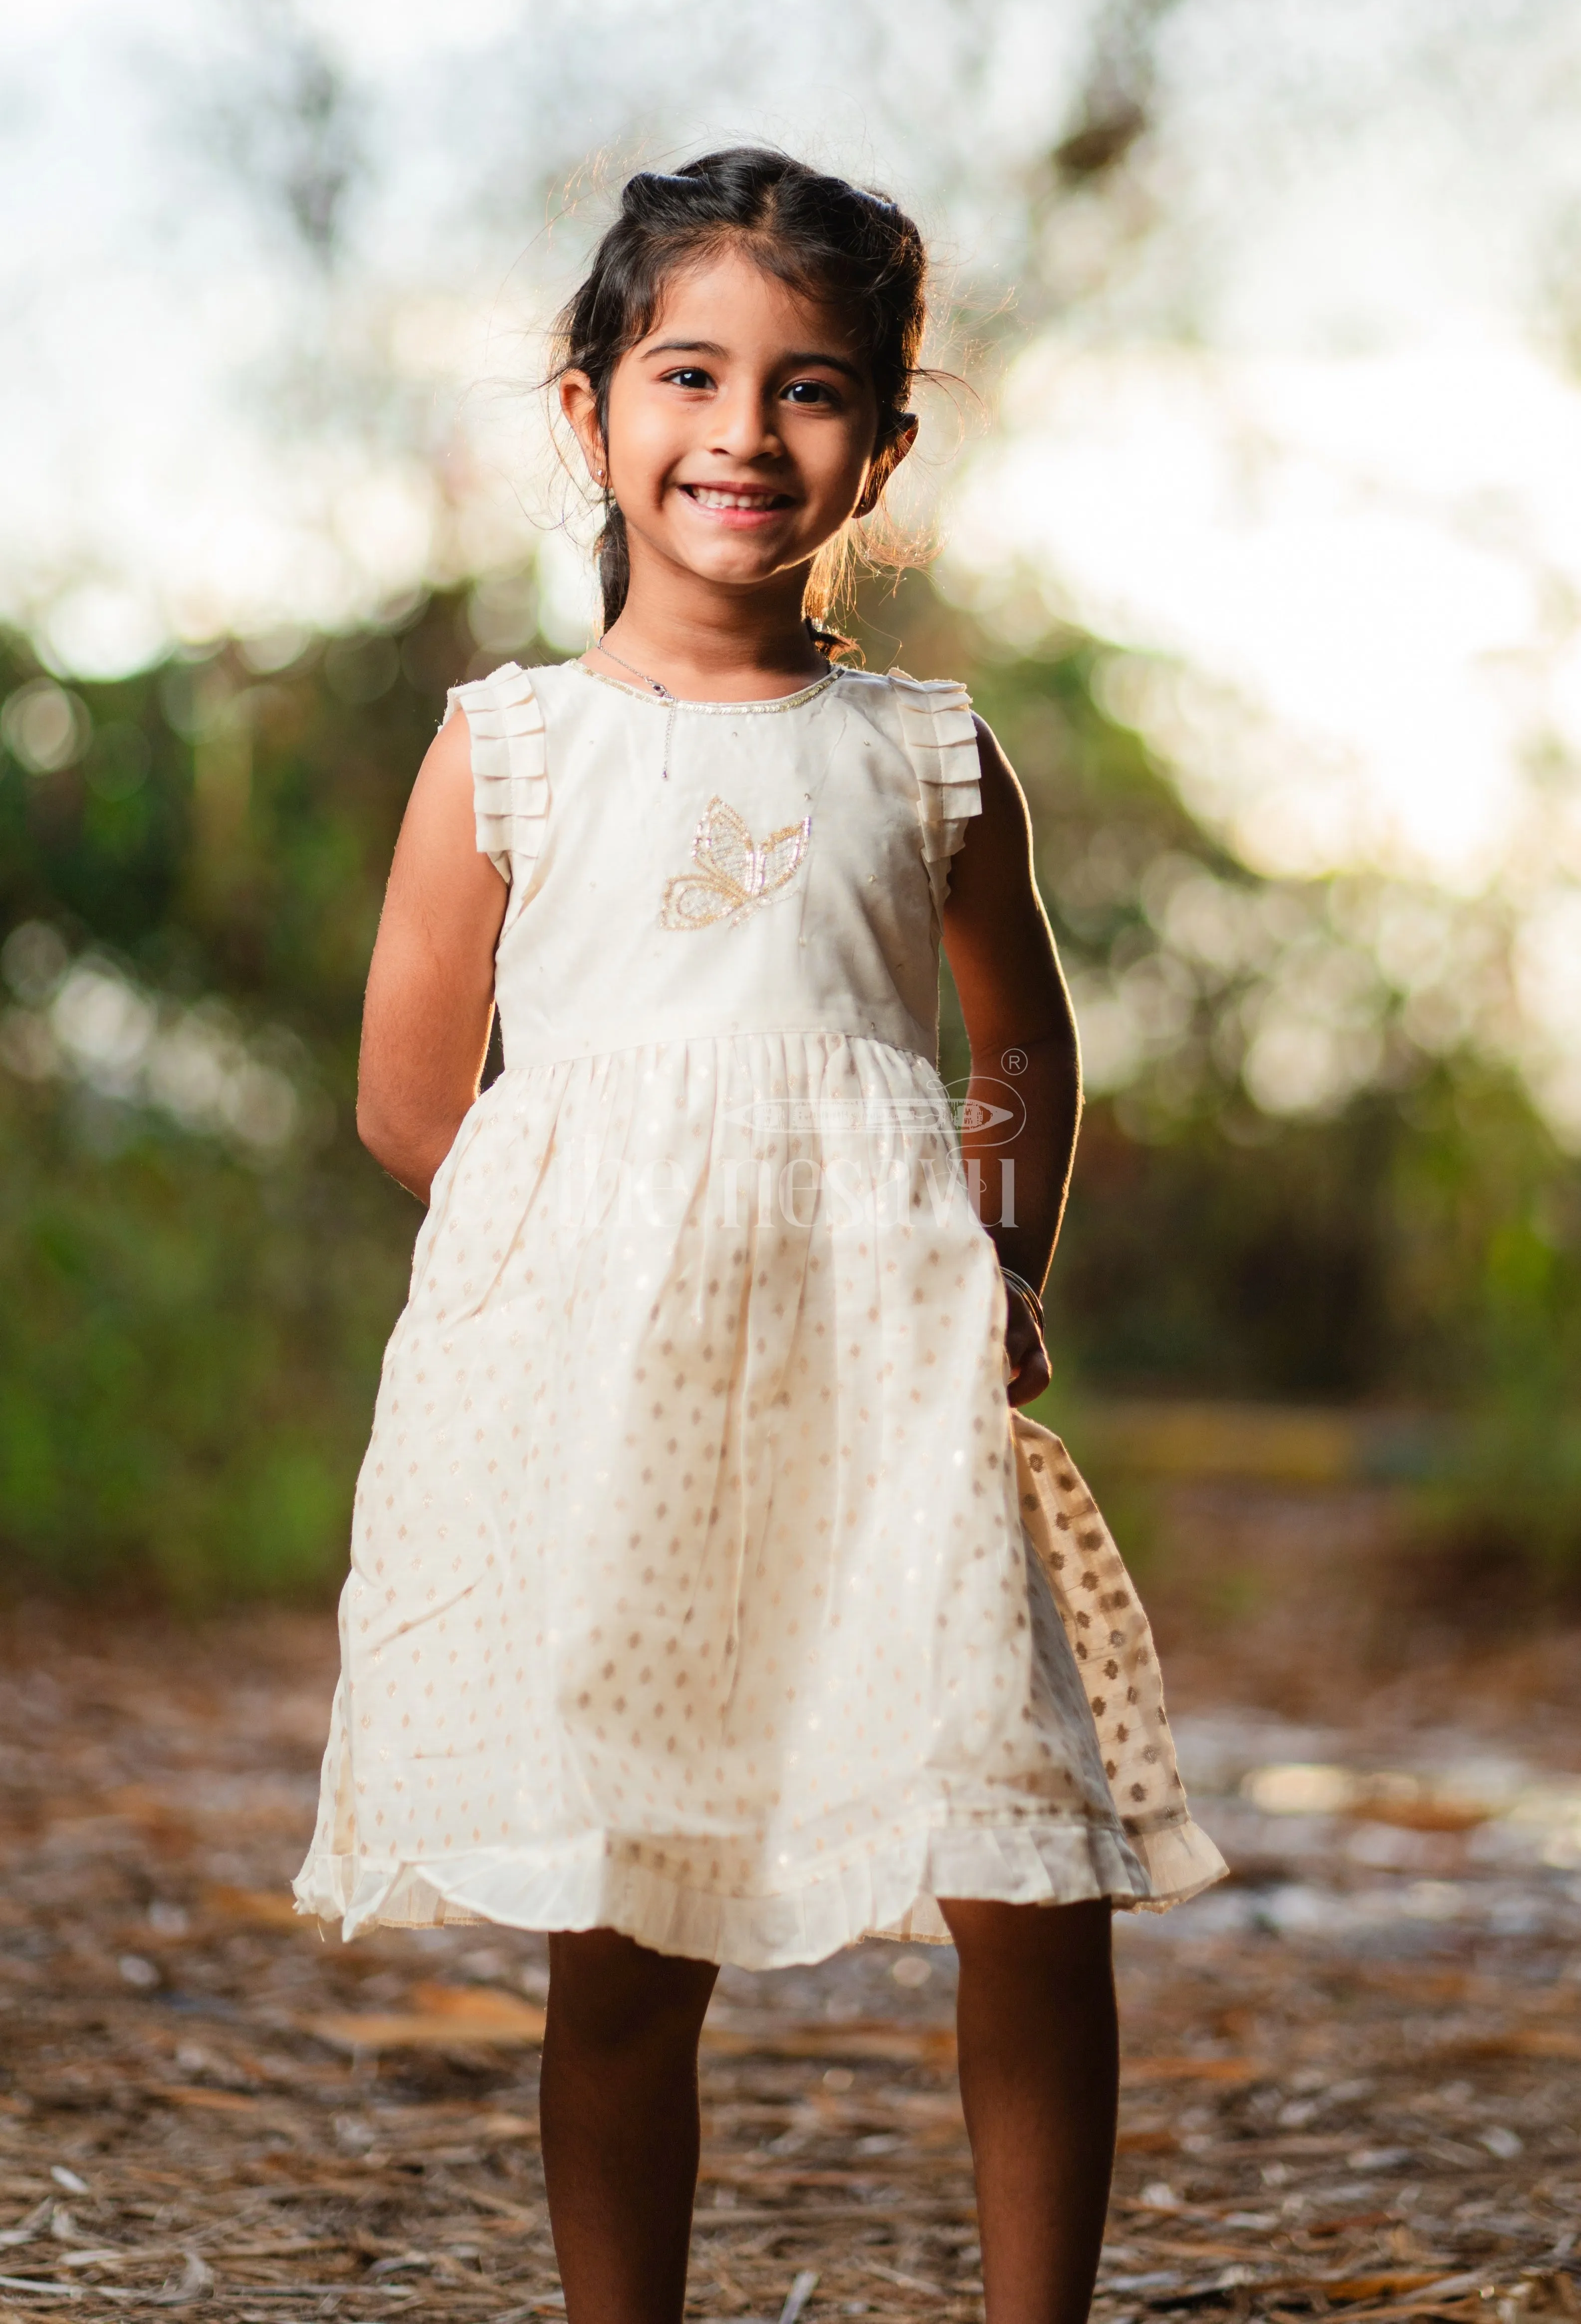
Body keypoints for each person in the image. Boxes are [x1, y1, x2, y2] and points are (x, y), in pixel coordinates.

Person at [294, 148, 1224, 2324]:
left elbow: (1025, 1043)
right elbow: (411, 1091)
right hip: (614, 1410)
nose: (741, 433)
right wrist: (586, 1275)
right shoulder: (511, 749)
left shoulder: (920, 756)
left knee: (1024, 1863)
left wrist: (1000, 1256)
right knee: (630, 1911)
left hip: (891, 1386)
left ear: (881, 450)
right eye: (688, 374)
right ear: (588, 411)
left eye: (810, 391)